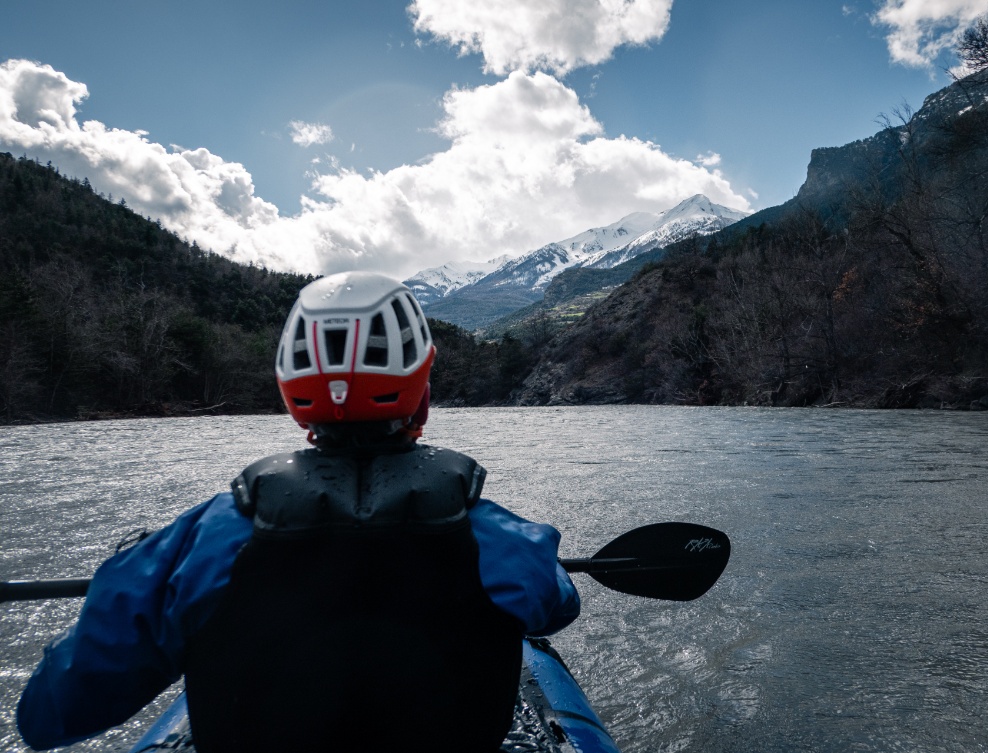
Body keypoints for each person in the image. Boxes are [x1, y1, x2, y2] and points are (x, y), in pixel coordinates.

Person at [18, 271, 580, 752]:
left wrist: (127, 574)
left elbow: (48, 717)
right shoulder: (504, 542)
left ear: (291, 394)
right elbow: (556, 606)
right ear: (423, 391)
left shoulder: (195, 545)